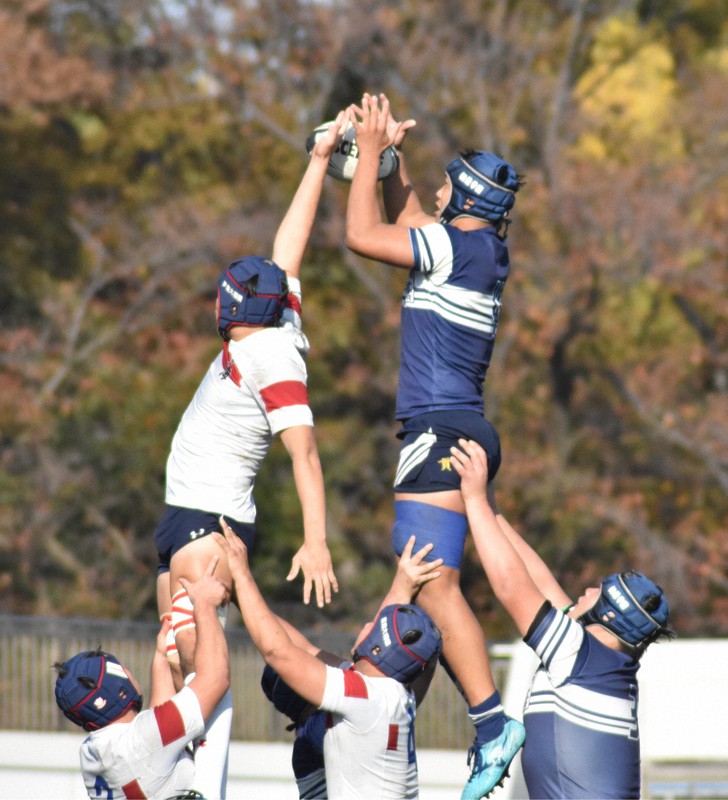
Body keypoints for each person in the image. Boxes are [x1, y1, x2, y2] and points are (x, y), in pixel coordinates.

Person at [152, 115, 347, 795]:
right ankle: (340, 683)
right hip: (187, 516)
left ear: (227, 305)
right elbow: (287, 251)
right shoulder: (273, 316)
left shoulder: (271, 355)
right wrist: (320, 159)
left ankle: (212, 786)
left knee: (201, 666)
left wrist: (316, 541)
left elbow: (306, 455)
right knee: (172, 667)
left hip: (212, 522)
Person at [344, 92, 525, 799]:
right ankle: (472, 722)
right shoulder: (475, 246)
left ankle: (488, 724)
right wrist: (389, 158)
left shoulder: (457, 247)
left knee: (430, 579)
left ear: (470, 198)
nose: (438, 189)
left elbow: (365, 232)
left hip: (439, 428)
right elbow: (411, 216)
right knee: (428, 579)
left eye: (451, 183)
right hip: (456, 423)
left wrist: (362, 156)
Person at [450, 438, 674, 799]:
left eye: (595, 592)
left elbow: (511, 586)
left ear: (609, 614)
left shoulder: (579, 656)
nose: (583, 592)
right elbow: (539, 583)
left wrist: (474, 500)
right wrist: (491, 508)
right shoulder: (606, 663)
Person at [215, 519, 443, 799]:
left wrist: (242, 588)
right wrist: (241, 575)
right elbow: (283, 652)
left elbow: (300, 650)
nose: (368, 625)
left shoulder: (365, 697)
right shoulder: (383, 696)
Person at [54, 557, 230, 799]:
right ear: (120, 690)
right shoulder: (142, 742)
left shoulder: (93, 752)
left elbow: (153, 730)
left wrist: (161, 656)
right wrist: (204, 605)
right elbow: (216, 679)